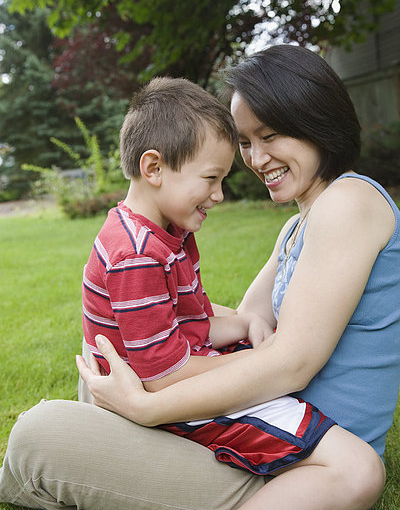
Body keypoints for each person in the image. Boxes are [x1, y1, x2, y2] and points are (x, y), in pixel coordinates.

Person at [0, 46, 395, 510]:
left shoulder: (348, 201)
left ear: (315, 120)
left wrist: (146, 405)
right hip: (252, 431)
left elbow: (292, 363)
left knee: (39, 434)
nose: (256, 158)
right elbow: (244, 318)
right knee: (106, 367)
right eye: (246, 142)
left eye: (268, 136)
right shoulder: (297, 227)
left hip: (294, 459)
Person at [79, 75, 359, 501]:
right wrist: (262, 364)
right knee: (348, 460)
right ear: (153, 168)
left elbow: (191, 326)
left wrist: (243, 325)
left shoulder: (165, 234)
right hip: (172, 403)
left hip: (175, 378)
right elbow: (163, 377)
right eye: (210, 178)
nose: (219, 195)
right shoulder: (136, 256)